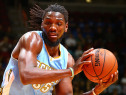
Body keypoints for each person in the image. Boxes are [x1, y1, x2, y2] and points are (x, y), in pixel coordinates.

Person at [0, 4, 118, 95]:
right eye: (48, 23)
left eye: (59, 23)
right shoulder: (32, 39)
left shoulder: (67, 61)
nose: (53, 27)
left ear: (66, 27)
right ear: (42, 24)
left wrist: (95, 91)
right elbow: (26, 76)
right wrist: (71, 71)